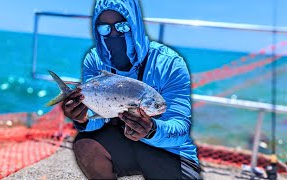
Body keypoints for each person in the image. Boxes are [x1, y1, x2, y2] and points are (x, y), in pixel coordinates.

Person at [62, 0, 201, 179]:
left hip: (170, 150)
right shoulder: (95, 60)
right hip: (123, 141)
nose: (113, 34)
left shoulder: (170, 64)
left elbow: (181, 128)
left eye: (122, 26)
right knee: (85, 146)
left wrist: (152, 130)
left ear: (134, 24)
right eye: (104, 28)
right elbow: (98, 117)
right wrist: (82, 118)